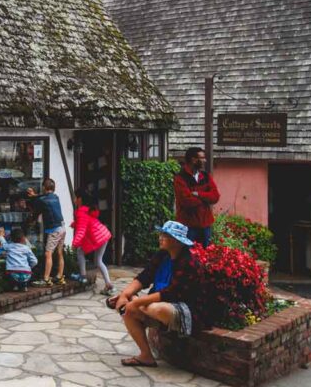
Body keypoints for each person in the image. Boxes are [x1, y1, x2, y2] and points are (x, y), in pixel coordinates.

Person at [107, 221, 203, 368]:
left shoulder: (188, 262)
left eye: (165, 235)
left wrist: (136, 301)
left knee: (155, 309)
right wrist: (124, 295)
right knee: (129, 311)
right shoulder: (162, 255)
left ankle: (135, 301)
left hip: (182, 310)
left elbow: (170, 294)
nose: (160, 238)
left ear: (176, 241)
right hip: (156, 304)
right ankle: (146, 356)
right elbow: (144, 277)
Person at [173, 147, 220, 247]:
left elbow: (215, 197)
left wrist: (199, 194)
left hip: (205, 225)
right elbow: (186, 201)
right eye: (202, 158)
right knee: (187, 257)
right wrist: (206, 199)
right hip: (188, 226)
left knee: (204, 256)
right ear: (194, 160)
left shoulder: (206, 176)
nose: (205, 160)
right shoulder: (180, 178)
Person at [70, 190, 113, 294]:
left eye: (75, 197)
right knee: (98, 260)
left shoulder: (81, 212)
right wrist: (75, 224)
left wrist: (74, 243)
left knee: (80, 251)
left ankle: (83, 276)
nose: (74, 199)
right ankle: (108, 284)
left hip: (98, 237)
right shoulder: (87, 210)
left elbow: (81, 230)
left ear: (80, 199)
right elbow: (87, 222)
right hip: (103, 235)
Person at [26, 178, 66, 287]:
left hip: (54, 230)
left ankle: (46, 279)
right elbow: (43, 197)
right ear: (53, 188)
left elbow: (36, 211)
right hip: (62, 227)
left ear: (44, 188)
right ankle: (59, 276)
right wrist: (34, 195)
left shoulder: (42, 200)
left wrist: (31, 221)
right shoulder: (55, 197)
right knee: (59, 253)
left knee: (48, 253)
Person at [3, 227, 37, 292]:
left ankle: (14, 285)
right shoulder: (26, 248)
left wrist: (1, 237)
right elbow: (34, 261)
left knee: (9, 271)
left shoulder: (9, 246)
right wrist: (29, 267)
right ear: (23, 238)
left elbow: (4, 244)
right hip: (26, 274)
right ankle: (24, 286)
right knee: (24, 274)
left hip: (12, 275)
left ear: (11, 238)